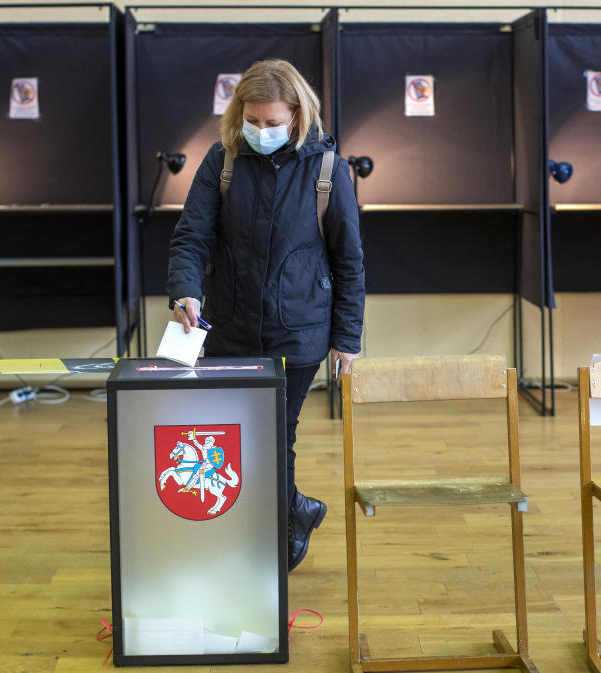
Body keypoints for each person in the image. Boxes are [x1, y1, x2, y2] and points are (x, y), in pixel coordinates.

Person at [166, 59, 365, 572]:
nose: (262, 131)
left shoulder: (327, 169)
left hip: (299, 331)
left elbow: (348, 259)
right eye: (253, 120)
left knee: (277, 433)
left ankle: (272, 537)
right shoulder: (223, 160)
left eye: (273, 122)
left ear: (298, 117)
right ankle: (295, 509)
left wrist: (348, 337)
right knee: (231, 435)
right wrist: (185, 291)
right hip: (229, 327)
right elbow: (192, 237)